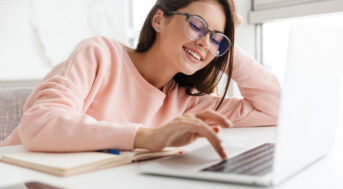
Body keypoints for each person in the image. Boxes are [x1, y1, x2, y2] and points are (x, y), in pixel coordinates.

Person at [2, 0, 280, 160]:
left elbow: (275, 108)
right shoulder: (100, 54)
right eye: (197, 25)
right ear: (159, 20)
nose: (206, 43)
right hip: (18, 184)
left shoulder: (184, 102)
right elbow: (39, 124)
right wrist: (145, 137)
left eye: (217, 39)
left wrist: (222, 49)